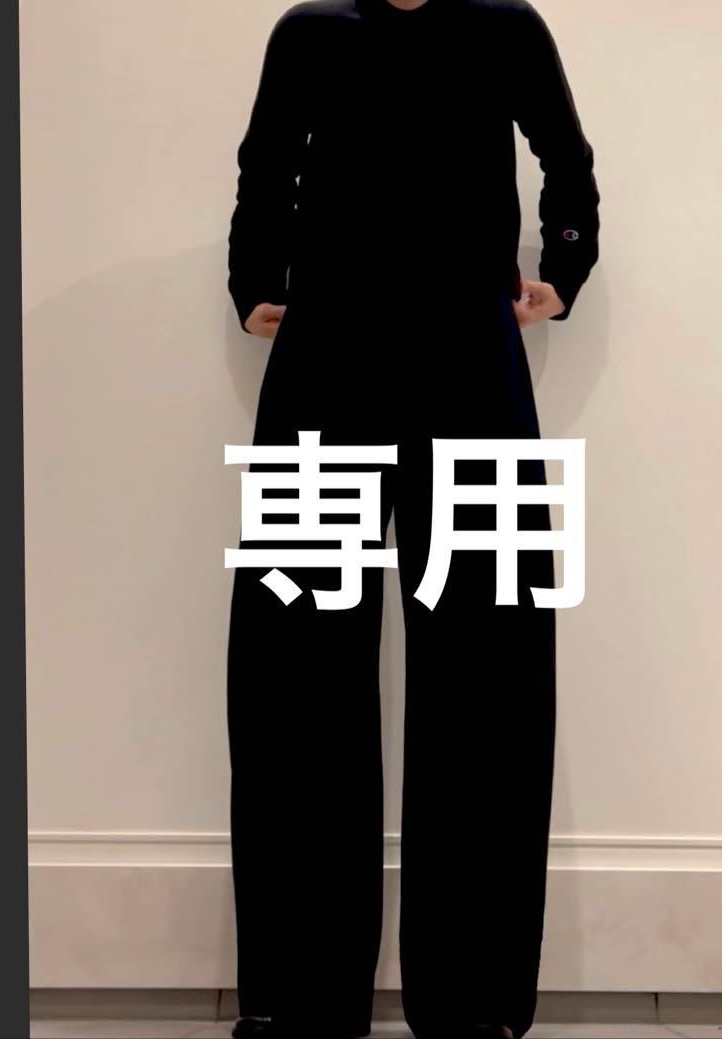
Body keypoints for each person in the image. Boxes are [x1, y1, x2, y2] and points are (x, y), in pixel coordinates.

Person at [224, 1, 600, 1037]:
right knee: (296, 673)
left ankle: (473, 1003)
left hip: (470, 361)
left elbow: (567, 158)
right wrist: (256, 279)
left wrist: (564, 269)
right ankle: (301, 1000)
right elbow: (266, 168)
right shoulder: (311, 34)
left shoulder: (506, 30)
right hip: (325, 360)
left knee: (489, 671)